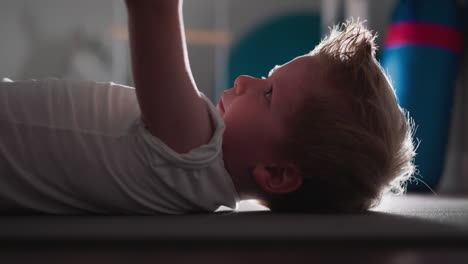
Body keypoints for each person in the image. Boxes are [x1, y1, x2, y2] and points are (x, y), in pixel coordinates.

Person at [0, 0, 416, 214]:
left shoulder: (192, 150)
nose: (244, 81)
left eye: (268, 92)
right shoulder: (194, 175)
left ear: (276, 174)